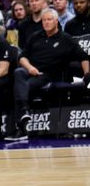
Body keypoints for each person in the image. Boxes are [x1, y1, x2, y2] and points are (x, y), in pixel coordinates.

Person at [9, 9, 90, 140]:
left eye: (49, 20)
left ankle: (20, 128)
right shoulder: (35, 36)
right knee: (18, 72)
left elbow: (83, 56)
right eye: (44, 20)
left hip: (46, 75)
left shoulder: (65, 39)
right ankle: (24, 111)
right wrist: (30, 68)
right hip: (29, 71)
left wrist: (87, 73)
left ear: (56, 21)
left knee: (21, 87)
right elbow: (22, 57)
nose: (46, 23)